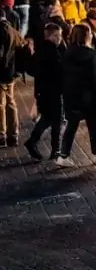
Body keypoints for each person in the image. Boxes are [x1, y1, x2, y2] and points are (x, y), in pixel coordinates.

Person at [57, 24, 96, 166]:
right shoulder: (92, 54)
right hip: (88, 96)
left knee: (71, 124)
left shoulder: (67, 53)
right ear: (87, 35)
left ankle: (63, 155)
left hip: (70, 95)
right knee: (92, 125)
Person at [24, 23, 66, 160]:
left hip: (43, 90)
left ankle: (33, 142)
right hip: (55, 90)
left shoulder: (41, 49)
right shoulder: (53, 51)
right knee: (57, 120)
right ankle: (55, 149)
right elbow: (60, 70)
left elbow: (32, 69)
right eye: (59, 36)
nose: (61, 38)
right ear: (53, 36)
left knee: (47, 118)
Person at [0, 12, 25, 147]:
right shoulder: (13, 31)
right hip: (11, 73)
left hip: (2, 73)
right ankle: (13, 134)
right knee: (11, 102)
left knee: (1, 104)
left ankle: (2, 134)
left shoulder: (1, 31)